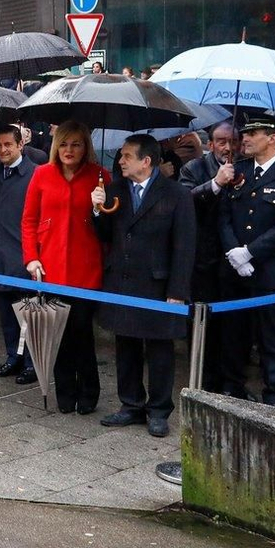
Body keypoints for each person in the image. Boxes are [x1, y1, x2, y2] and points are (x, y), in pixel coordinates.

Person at [92, 134, 195, 437]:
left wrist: (177, 291)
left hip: (158, 283)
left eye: (126, 156)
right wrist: (97, 209)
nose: (120, 161)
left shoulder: (176, 195)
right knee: (126, 345)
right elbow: (105, 234)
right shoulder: (114, 189)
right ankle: (131, 405)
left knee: (160, 349)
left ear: (146, 161)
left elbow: (184, 246)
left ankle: (159, 409)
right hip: (123, 280)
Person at [218, 115, 275, 407]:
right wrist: (235, 252)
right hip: (236, 267)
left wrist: (250, 252)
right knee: (234, 332)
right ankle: (232, 385)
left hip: (270, 268)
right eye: (244, 133)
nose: (244, 138)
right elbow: (223, 216)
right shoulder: (238, 169)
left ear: (272, 138)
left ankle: (273, 393)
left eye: (253, 133)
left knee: (270, 335)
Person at [21, 120, 107, 414]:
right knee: (56, 333)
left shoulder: (100, 176)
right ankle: (64, 392)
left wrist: (99, 207)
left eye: (76, 144)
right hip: (51, 268)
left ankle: (89, 392)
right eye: (64, 144)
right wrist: (31, 257)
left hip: (86, 268)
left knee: (82, 333)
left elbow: (109, 223)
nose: (69, 150)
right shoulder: (41, 174)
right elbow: (29, 220)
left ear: (86, 147)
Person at [180, 122, 240, 392]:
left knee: (232, 327)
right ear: (210, 143)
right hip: (202, 260)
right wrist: (215, 183)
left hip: (236, 260)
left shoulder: (246, 168)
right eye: (221, 141)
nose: (227, 147)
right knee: (201, 324)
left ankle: (231, 380)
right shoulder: (194, 168)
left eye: (233, 141)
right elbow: (185, 202)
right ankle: (203, 380)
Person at [0, 125, 38, 384]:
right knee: (6, 313)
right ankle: (12, 357)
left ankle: (30, 362)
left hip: (23, 254)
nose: (3, 150)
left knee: (27, 313)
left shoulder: (35, 174)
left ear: (20, 145)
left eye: (8, 144)